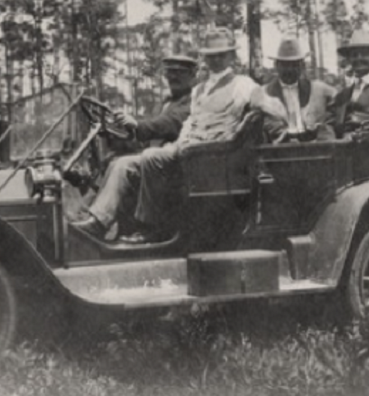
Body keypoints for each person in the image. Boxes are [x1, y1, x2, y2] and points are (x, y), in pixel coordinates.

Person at [72, 27, 286, 243]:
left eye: (221, 55)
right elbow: (190, 122)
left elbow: (273, 108)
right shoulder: (200, 90)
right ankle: (98, 223)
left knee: (151, 156)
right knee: (128, 160)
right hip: (190, 152)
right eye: (211, 56)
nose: (216, 60)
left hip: (212, 159)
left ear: (231, 56)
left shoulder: (242, 84)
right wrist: (176, 145)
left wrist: (263, 108)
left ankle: (152, 229)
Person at [68, 53, 197, 238]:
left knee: (122, 166)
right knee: (112, 160)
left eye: (179, 73)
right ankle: (89, 215)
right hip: (158, 160)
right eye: (169, 73)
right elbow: (153, 130)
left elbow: (167, 124)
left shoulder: (192, 101)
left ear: (193, 75)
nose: (173, 77)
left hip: (177, 165)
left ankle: (98, 223)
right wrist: (118, 131)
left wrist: (137, 124)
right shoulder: (170, 102)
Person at [262, 35, 336, 141]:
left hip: (315, 149)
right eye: (285, 65)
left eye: (294, 65)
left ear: (302, 65)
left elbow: (341, 101)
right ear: (276, 65)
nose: (290, 70)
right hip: (278, 152)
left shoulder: (319, 89)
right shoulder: (264, 94)